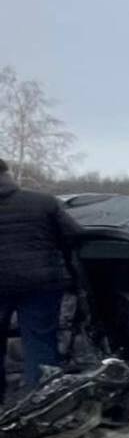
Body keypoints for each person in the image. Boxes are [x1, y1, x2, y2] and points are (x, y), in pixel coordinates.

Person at [0, 158, 83, 402]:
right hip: (42, 284)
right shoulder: (43, 202)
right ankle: (41, 402)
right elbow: (75, 235)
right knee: (39, 341)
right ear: (8, 174)